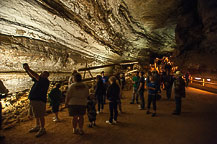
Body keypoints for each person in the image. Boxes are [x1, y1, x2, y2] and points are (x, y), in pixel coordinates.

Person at [23, 63, 50, 137]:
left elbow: (35, 75)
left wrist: (28, 69)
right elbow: (32, 76)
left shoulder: (45, 81)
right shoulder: (38, 80)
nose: (42, 75)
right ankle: (37, 126)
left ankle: (42, 128)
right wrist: (27, 71)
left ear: (47, 76)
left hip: (39, 101)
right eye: (42, 74)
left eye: (44, 74)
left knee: (40, 115)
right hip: (34, 100)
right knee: (36, 114)